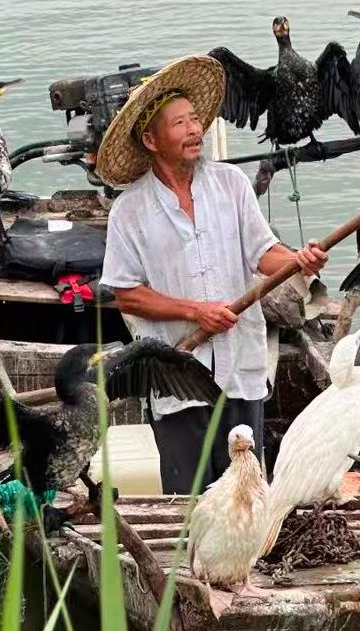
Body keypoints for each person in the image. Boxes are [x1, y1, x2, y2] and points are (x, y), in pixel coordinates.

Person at [96, 55, 328, 492]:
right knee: (190, 502)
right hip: (179, 373)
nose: (195, 130)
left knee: (245, 494)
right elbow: (127, 294)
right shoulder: (130, 210)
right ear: (150, 138)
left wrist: (299, 261)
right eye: (180, 123)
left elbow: (265, 255)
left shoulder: (232, 184)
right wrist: (196, 312)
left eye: (196, 120)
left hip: (241, 366)